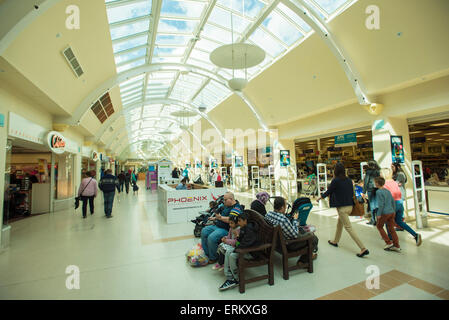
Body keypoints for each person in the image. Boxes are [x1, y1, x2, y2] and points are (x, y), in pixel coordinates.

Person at [317, 162, 369, 258]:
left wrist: (320, 198)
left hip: (342, 208)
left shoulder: (335, 181)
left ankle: (363, 248)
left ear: (335, 171)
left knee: (348, 228)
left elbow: (329, 191)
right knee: (339, 224)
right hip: (350, 206)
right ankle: (335, 241)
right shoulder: (349, 180)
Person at [265, 196, 320, 266]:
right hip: (288, 245)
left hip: (275, 242)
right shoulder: (283, 220)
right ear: (282, 208)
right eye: (285, 206)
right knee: (314, 238)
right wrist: (295, 219)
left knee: (304, 230)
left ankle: (310, 253)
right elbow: (295, 235)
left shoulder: (268, 214)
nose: (286, 208)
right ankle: (303, 261)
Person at [219, 210, 261, 291]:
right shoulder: (244, 227)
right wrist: (238, 237)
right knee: (228, 251)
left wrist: (236, 248)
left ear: (245, 221)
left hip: (251, 253)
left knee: (232, 255)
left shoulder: (249, 229)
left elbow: (246, 243)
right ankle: (229, 277)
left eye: (239, 221)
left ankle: (236, 279)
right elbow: (241, 241)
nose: (238, 223)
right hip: (244, 249)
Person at [382, 168, 422, 246]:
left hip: (393, 204)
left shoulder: (385, 184)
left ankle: (391, 241)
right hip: (399, 203)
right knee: (399, 222)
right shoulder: (394, 182)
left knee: (388, 222)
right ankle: (415, 235)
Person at [201, 192, 243, 264]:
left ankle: (213, 257)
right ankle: (207, 254)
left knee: (211, 237)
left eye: (225, 200)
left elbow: (230, 220)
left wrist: (219, 218)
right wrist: (215, 218)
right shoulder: (226, 205)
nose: (224, 201)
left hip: (226, 229)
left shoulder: (237, 208)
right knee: (204, 231)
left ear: (231, 199)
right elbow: (221, 216)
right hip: (217, 225)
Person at [374, 176, 400, 252]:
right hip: (391, 211)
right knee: (391, 228)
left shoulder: (378, 192)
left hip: (384, 212)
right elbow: (392, 201)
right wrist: (394, 210)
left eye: (375, 182)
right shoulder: (387, 191)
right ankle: (396, 245)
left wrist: (379, 214)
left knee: (379, 226)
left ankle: (388, 242)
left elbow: (381, 204)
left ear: (377, 183)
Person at [364, 160, 380, 225]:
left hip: (370, 188)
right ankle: (378, 219)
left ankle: (373, 220)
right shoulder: (378, 171)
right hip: (377, 188)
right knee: (376, 204)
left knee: (372, 204)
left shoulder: (368, 172)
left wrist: (364, 191)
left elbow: (366, 181)